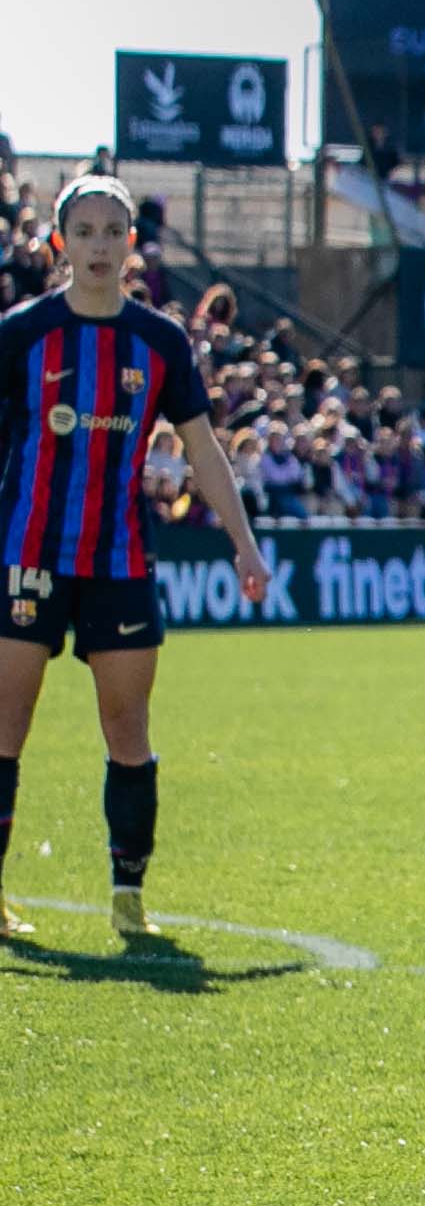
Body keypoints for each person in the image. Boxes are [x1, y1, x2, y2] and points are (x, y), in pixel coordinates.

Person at [0, 176, 270, 939]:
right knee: (4, 726)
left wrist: (243, 543)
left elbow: (203, 450)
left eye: (111, 231)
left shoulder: (158, 342)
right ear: (60, 243)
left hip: (117, 561)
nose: (97, 245)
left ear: (130, 245)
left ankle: (128, 895)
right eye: (82, 231)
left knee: (128, 729)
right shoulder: (20, 333)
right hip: (25, 554)